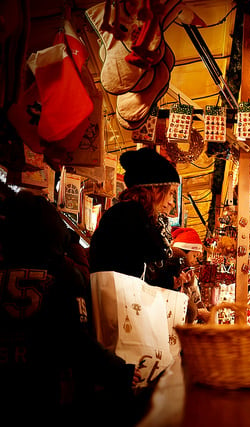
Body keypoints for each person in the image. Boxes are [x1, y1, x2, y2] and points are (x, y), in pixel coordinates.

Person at [0, 182, 140, 426]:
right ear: (53, 232)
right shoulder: (64, 274)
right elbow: (76, 341)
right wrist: (119, 371)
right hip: (44, 391)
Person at [89, 147, 180, 285]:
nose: (172, 203)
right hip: (116, 298)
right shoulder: (129, 214)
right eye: (171, 193)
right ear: (155, 189)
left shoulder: (132, 212)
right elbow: (155, 250)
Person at [171, 227, 210, 323]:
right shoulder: (170, 274)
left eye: (197, 257)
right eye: (194, 256)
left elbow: (196, 299)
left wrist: (202, 311)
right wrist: (198, 313)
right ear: (182, 252)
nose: (195, 261)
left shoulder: (192, 276)